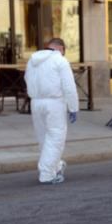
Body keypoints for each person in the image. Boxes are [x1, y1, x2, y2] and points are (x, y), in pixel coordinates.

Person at [25, 38, 78, 185]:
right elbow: (69, 87)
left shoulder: (32, 60)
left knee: (43, 138)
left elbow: (27, 79)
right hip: (54, 103)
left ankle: (56, 166)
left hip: (35, 102)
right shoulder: (60, 61)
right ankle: (47, 174)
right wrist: (73, 108)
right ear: (60, 48)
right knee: (55, 137)